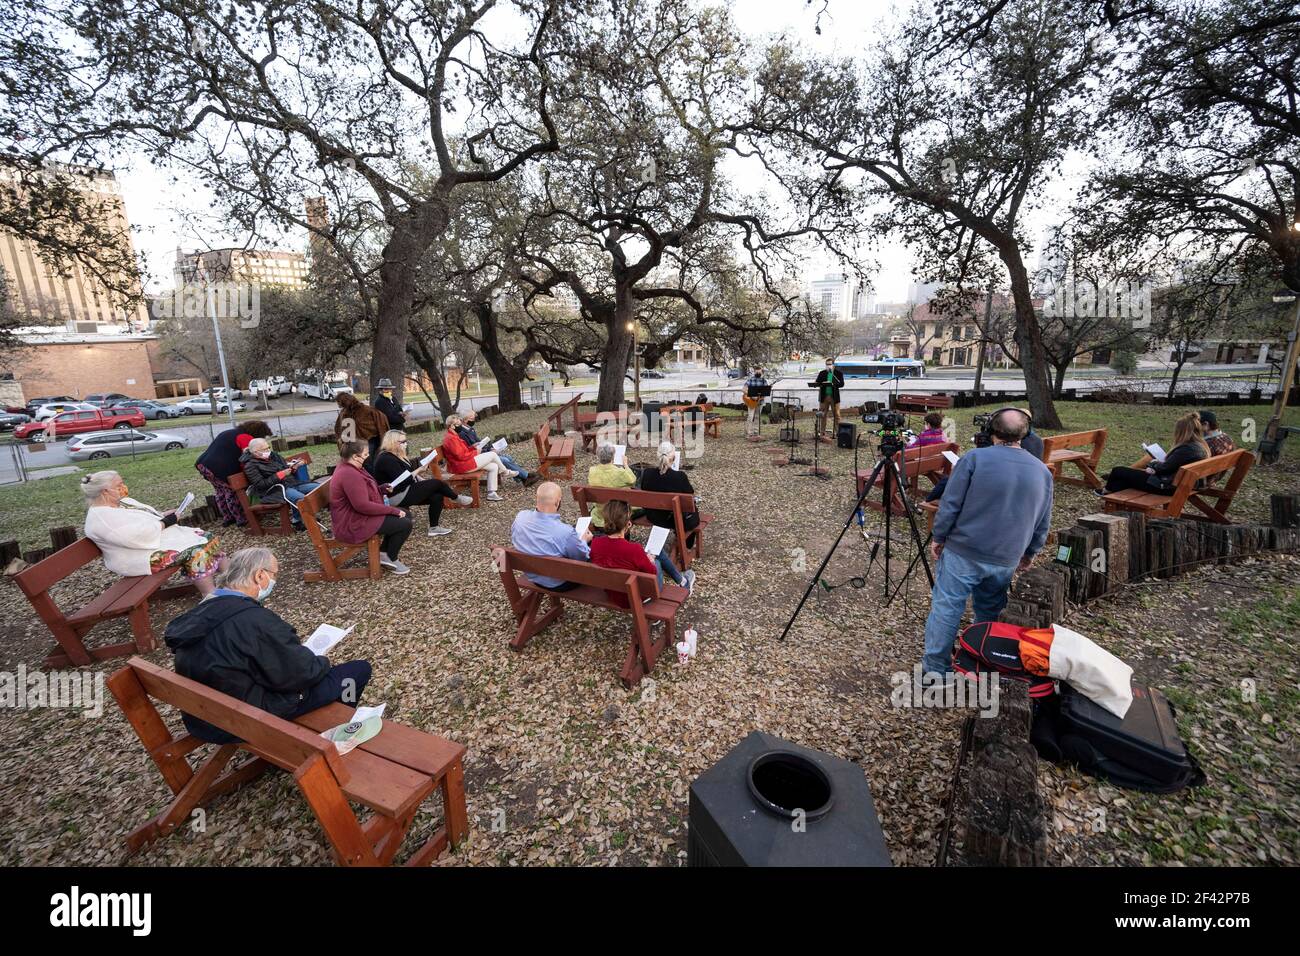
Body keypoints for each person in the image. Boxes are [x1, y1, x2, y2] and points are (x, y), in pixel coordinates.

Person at [163, 548, 372, 744]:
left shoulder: (199, 614)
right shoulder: (254, 621)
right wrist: (320, 661)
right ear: (260, 576)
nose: (274, 580)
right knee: (355, 673)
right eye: (275, 574)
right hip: (246, 720)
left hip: (203, 718)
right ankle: (339, 721)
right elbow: (301, 675)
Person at [921, 409, 1053, 683]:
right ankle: (982, 660)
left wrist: (939, 536)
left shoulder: (974, 459)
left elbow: (951, 504)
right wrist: (1030, 552)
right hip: (1006, 556)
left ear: (991, 430)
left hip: (964, 551)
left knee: (947, 608)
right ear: (1025, 434)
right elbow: (1043, 520)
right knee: (990, 611)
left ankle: (936, 670)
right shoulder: (1042, 471)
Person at [81, 470, 223, 596]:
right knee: (195, 552)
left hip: (151, 545)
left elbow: (144, 517)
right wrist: (166, 522)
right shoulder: (101, 519)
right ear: (105, 491)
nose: (123, 487)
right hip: (137, 557)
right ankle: (209, 594)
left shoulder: (121, 502)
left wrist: (164, 515)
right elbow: (133, 537)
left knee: (205, 536)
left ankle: (231, 577)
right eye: (119, 485)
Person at [330, 439, 414, 574]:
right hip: (352, 522)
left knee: (406, 515)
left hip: (357, 516)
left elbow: (361, 492)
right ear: (355, 456)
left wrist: (381, 489)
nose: (368, 456)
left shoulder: (351, 467)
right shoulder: (349, 474)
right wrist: (392, 510)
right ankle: (390, 557)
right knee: (404, 524)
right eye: (365, 454)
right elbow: (361, 505)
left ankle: (384, 553)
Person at [590, 499, 694, 606]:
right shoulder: (634, 549)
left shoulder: (595, 543)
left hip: (613, 593)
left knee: (655, 554)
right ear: (628, 524)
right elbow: (652, 574)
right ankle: (683, 582)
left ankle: (682, 581)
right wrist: (651, 561)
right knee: (656, 558)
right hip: (635, 597)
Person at [372, 429, 472, 537]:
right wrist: (419, 470)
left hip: (404, 489)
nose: (406, 444)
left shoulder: (397, 455)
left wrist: (422, 480)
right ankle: (456, 498)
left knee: (437, 495)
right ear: (392, 442)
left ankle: (434, 528)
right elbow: (404, 480)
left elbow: (408, 474)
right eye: (402, 442)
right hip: (393, 495)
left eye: (406, 441)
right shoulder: (386, 458)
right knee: (437, 483)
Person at [1102, 411, 1210, 495]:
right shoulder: (1200, 446)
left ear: (1181, 431)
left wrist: (1153, 463)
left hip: (1165, 486)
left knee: (1118, 471)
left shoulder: (1187, 449)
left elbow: (1164, 468)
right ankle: (1111, 494)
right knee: (1125, 478)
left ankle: (1106, 491)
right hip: (1180, 484)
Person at [510, 481, 593, 591]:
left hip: (533, 575)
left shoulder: (521, 517)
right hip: (560, 582)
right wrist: (584, 540)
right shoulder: (565, 532)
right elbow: (581, 558)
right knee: (592, 545)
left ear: (537, 499)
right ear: (558, 502)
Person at [194, 420, 274, 526]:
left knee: (220, 492)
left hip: (204, 465)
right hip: (219, 467)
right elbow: (247, 458)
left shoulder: (229, 432)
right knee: (232, 492)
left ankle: (228, 518)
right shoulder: (245, 437)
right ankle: (240, 518)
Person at [239, 438, 320, 528]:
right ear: (255, 452)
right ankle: (298, 520)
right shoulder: (250, 465)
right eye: (264, 449)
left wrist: (293, 468)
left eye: (268, 448)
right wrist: (279, 475)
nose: (268, 451)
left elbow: (285, 468)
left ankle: (308, 514)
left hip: (291, 483)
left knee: (318, 487)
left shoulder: (274, 456)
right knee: (300, 498)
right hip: (275, 490)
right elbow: (260, 484)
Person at [638, 440, 699, 550]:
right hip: (674, 519)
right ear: (674, 458)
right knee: (693, 511)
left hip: (653, 516)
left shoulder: (647, 473)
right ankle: (687, 544)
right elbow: (690, 495)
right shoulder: (680, 476)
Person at [441, 414, 518, 502]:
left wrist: (473, 447)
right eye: (459, 425)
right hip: (462, 466)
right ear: (452, 426)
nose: (461, 426)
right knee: (492, 454)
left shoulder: (453, 435)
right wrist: (476, 452)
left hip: (464, 463)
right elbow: (461, 456)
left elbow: (463, 451)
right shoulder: (451, 439)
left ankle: (491, 493)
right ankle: (505, 472)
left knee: (493, 466)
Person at [456, 409, 535, 485]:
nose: (474, 420)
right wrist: (489, 452)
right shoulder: (462, 434)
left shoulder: (470, 429)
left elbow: (479, 444)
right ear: (465, 420)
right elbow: (472, 450)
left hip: (482, 453)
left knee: (508, 457)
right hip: (475, 459)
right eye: (472, 418)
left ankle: (522, 478)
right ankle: (526, 476)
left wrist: (490, 449)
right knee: (504, 460)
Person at [587, 443, 639, 531]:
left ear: (598, 456)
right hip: (617, 513)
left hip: (601, 512)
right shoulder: (620, 472)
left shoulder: (592, 471)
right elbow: (633, 480)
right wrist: (625, 464)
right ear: (613, 456)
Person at [334, 391, 391, 466]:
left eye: (339, 402)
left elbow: (381, 419)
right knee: (358, 463)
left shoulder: (366, 410)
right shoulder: (343, 413)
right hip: (352, 444)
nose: (338, 405)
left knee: (368, 462)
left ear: (344, 401)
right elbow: (338, 427)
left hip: (369, 441)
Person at [813, 357, 845, 438]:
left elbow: (841, 384)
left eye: (830, 364)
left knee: (837, 415)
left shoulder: (838, 373)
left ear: (833, 365)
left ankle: (837, 432)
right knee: (823, 414)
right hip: (824, 397)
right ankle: (822, 432)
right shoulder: (822, 373)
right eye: (827, 364)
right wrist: (820, 383)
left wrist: (833, 383)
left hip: (834, 397)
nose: (828, 366)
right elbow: (817, 382)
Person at [744, 367, 768, 436]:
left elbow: (765, 393)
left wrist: (766, 391)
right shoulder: (750, 380)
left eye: (759, 372)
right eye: (757, 372)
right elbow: (744, 389)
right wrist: (752, 396)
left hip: (760, 402)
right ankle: (749, 432)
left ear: (761, 372)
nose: (758, 373)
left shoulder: (764, 381)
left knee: (757, 417)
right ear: (754, 372)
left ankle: (756, 432)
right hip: (751, 402)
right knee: (750, 417)